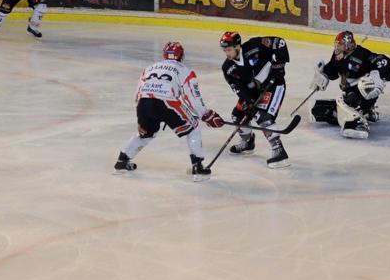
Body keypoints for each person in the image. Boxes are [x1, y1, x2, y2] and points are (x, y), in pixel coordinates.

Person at [115, 41, 225, 181]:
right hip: (167, 102)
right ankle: (197, 165)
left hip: (144, 103)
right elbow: (191, 97)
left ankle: (122, 160)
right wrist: (206, 115)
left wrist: (141, 119)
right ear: (181, 55)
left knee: (146, 133)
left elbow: (138, 93)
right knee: (193, 128)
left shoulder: (150, 68)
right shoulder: (185, 70)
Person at [220, 31, 290, 168]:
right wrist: (249, 102)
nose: (227, 54)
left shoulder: (255, 45)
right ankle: (248, 142)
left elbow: (280, 43)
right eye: (224, 50)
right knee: (237, 115)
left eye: (229, 50)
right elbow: (239, 89)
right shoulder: (227, 68)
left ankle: (279, 151)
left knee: (263, 116)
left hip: (274, 85)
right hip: (254, 92)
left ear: (237, 46)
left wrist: (280, 63)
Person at [309, 31, 390, 139]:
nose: (337, 47)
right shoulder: (337, 55)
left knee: (347, 101)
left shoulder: (361, 54)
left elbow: (383, 60)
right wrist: (322, 74)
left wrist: (378, 77)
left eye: (340, 45)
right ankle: (366, 112)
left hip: (364, 92)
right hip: (349, 90)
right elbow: (333, 71)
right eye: (337, 44)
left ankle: (359, 120)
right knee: (341, 106)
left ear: (349, 45)